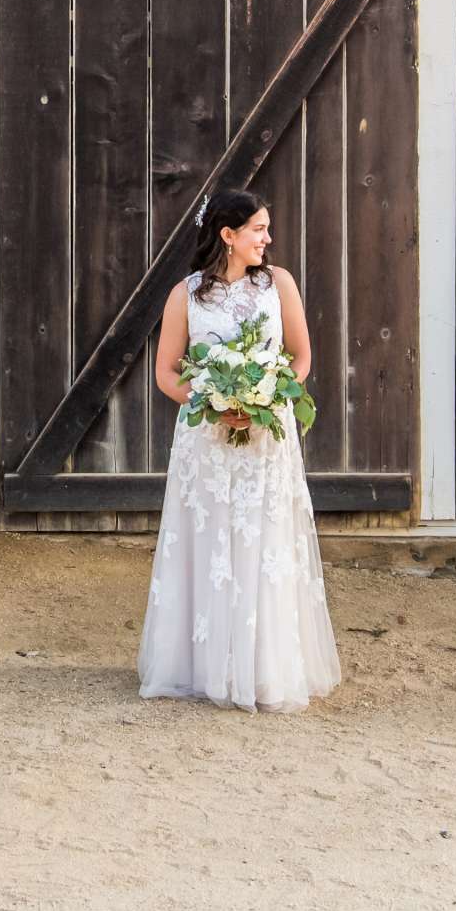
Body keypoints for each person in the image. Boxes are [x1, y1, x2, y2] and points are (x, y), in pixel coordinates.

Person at [137, 189, 342, 712]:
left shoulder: (279, 285)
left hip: (265, 440)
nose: (268, 239)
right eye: (258, 230)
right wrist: (211, 401)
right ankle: (204, 666)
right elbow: (166, 372)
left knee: (262, 541)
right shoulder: (186, 295)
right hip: (206, 441)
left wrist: (265, 400)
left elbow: (301, 357)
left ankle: (264, 668)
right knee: (210, 542)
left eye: (267, 229)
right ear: (228, 236)